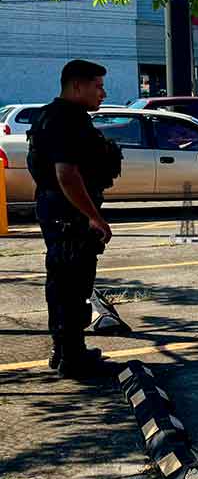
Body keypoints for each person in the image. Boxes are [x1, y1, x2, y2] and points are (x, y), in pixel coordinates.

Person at [26, 60, 123, 378]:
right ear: (77, 86)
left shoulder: (49, 115)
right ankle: (73, 358)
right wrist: (94, 217)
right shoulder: (67, 119)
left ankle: (65, 350)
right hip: (69, 214)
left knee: (62, 281)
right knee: (73, 282)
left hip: (56, 208)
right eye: (98, 86)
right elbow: (66, 174)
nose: (103, 93)